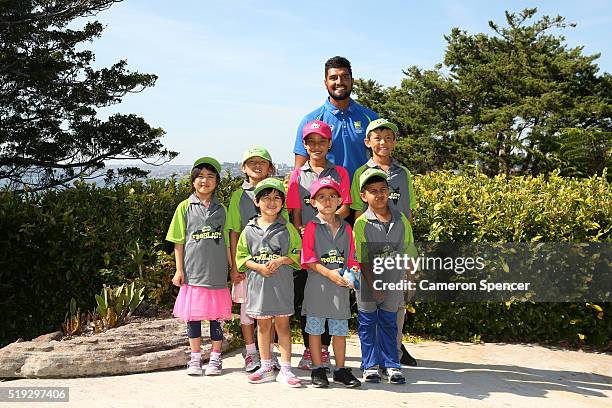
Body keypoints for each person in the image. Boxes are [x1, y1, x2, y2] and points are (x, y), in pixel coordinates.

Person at [349, 118, 418, 366]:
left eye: (389, 137)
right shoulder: (360, 173)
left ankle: (394, 354)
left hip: (397, 251)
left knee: (395, 305)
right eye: (377, 138)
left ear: (395, 142)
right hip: (371, 252)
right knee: (369, 306)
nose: (383, 143)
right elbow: (358, 216)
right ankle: (373, 358)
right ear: (368, 142)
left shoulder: (403, 173)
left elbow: (407, 212)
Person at [287, 120, 352, 370]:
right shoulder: (296, 175)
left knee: (332, 296)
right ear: (304, 145)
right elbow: (295, 213)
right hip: (309, 247)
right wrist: (306, 233)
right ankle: (310, 348)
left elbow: (345, 206)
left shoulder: (340, 173)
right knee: (308, 297)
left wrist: (327, 222)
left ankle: (324, 349)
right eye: (311, 142)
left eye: (321, 141)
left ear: (329, 143)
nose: (316, 146)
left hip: (334, 241)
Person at [166, 157, 232, 376]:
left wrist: (233, 268)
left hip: (217, 274)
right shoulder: (184, 207)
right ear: (193, 181)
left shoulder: (222, 208)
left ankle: (215, 358)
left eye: (210, 176)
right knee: (193, 318)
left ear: (217, 181)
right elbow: (178, 241)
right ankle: (195, 359)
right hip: (193, 274)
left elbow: (228, 241)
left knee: (216, 318)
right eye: (200, 176)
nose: (205, 180)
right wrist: (179, 269)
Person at [235, 178, 303, 387]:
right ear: (256, 201)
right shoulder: (248, 230)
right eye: (266, 198)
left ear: (282, 203)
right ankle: (265, 366)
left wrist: (283, 259)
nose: (271, 202)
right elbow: (241, 257)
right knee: (263, 326)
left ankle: (285, 368)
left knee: (282, 326)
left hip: (281, 287)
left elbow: (298, 255)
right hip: (258, 287)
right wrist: (258, 266)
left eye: (276, 198)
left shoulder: (288, 228)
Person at [227, 145, 288, 372]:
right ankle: (251, 351)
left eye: (262, 162)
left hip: (272, 265)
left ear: (270, 167)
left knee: (270, 311)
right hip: (248, 264)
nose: (257, 166)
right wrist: (235, 265)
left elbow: (286, 229)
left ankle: (268, 353)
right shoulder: (238, 195)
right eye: (252, 162)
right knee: (246, 309)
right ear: (244, 168)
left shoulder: (278, 191)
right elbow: (233, 232)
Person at [353, 168, 416, 384]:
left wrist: (411, 279)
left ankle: (391, 365)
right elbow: (362, 259)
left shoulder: (401, 220)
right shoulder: (361, 223)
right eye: (372, 191)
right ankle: (370, 365)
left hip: (394, 281)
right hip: (368, 283)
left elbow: (408, 251)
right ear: (363, 196)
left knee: (390, 324)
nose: (378, 195)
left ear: (389, 191)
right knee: (368, 323)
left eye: (383, 190)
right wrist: (374, 286)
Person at [301, 177, 361, 388]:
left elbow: (353, 258)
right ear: (313, 202)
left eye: (332, 196)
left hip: (340, 289)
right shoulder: (311, 227)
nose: (327, 201)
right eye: (321, 197)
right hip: (317, 288)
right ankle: (318, 369)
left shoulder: (347, 229)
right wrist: (329, 273)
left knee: (339, 331)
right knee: (315, 330)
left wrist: (352, 275)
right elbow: (308, 259)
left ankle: (341, 370)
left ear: (340, 201)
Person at [293, 56, 379, 179]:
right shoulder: (310, 120)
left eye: (345, 77)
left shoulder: (370, 118)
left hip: (362, 195)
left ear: (352, 81)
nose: (339, 82)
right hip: (326, 196)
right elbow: (300, 171)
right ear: (325, 83)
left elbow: (382, 160)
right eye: (333, 78)